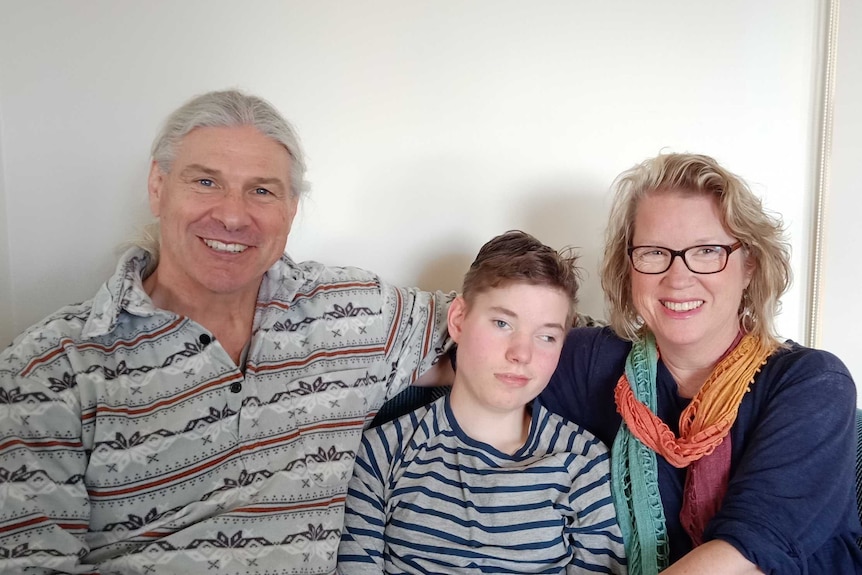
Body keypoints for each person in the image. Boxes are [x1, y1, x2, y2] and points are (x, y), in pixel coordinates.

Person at [0, 90, 452, 574]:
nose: (233, 216)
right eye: (206, 181)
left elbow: (503, 323)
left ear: (291, 208)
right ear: (158, 186)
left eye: (262, 190)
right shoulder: (49, 369)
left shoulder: (347, 312)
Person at [538, 152, 862, 574]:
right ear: (628, 267)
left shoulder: (812, 383)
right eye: (655, 252)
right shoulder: (592, 362)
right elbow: (484, 346)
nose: (678, 277)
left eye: (708, 251)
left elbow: (746, 556)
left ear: (750, 266)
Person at [337, 230, 627, 574]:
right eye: (502, 323)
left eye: (546, 336)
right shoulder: (380, 454)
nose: (521, 353)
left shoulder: (584, 462)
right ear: (458, 320)